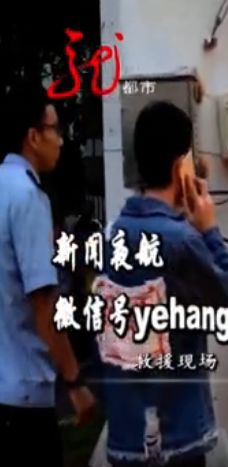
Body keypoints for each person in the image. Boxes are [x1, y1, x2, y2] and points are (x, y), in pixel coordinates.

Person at [98, 101, 228, 467]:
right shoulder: (182, 241)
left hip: (128, 436)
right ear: (181, 167)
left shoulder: (112, 235)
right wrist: (209, 229)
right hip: (178, 436)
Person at [0, 84, 96, 467]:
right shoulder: (28, 197)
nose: (61, 139)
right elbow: (44, 303)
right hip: (23, 392)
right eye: (55, 129)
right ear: (33, 136)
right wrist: (74, 381)